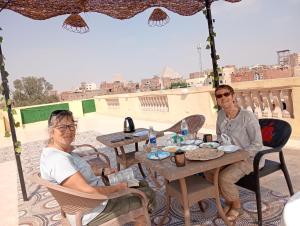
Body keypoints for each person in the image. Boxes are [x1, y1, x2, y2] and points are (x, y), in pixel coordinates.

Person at [40, 110, 155, 226]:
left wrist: (103, 171)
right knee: (142, 196)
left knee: (141, 184)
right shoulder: (57, 160)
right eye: (62, 127)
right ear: (51, 132)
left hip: (91, 202)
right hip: (92, 210)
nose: (69, 131)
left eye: (71, 126)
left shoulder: (58, 152)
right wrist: (119, 187)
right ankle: (142, 214)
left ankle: (146, 210)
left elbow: (77, 174)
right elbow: (90, 191)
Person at [205, 85, 263, 222]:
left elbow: (257, 144)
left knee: (225, 177)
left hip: (250, 158)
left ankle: (237, 206)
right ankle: (228, 201)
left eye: (226, 94)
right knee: (210, 171)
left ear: (233, 96)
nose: (223, 98)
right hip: (228, 155)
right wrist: (222, 145)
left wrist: (239, 155)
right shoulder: (220, 115)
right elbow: (219, 135)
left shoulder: (247, 117)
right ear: (217, 100)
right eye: (219, 96)